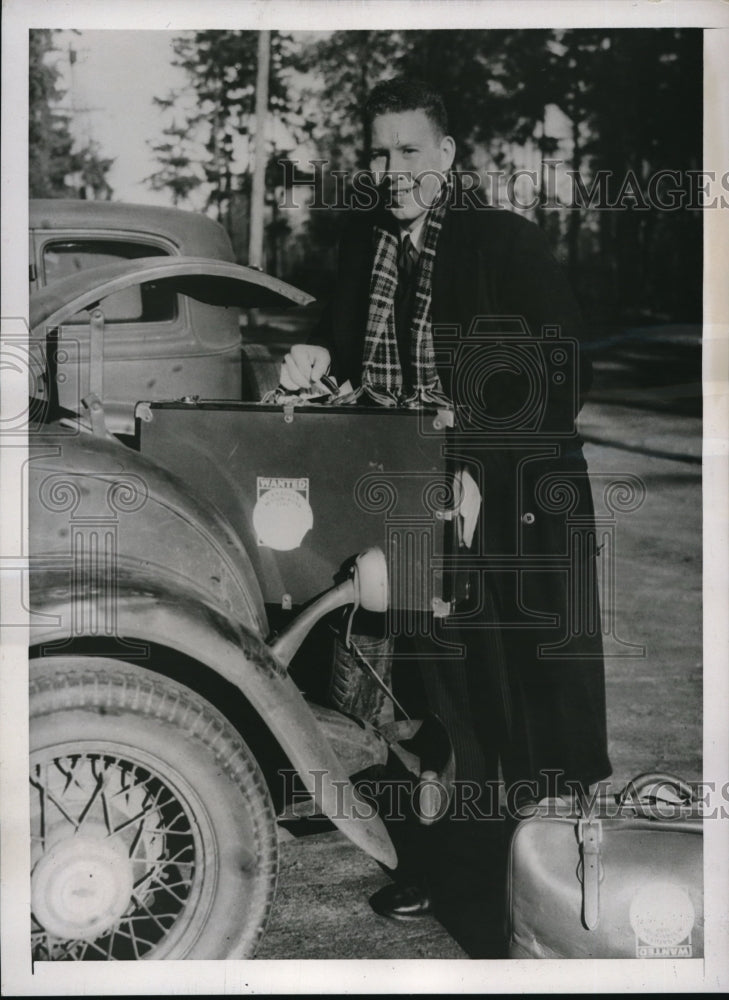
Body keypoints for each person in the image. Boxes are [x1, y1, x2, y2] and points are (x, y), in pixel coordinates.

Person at [281, 77, 611, 957]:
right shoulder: (365, 242)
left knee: (512, 701)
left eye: (409, 152)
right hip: (403, 494)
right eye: (379, 153)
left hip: (510, 502)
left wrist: (479, 451)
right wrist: (313, 342)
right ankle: (437, 861)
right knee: (421, 695)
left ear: (448, 156)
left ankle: (536, 882)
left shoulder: (505, 242)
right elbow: (337, 329)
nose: (392, 171)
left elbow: (563, 372)